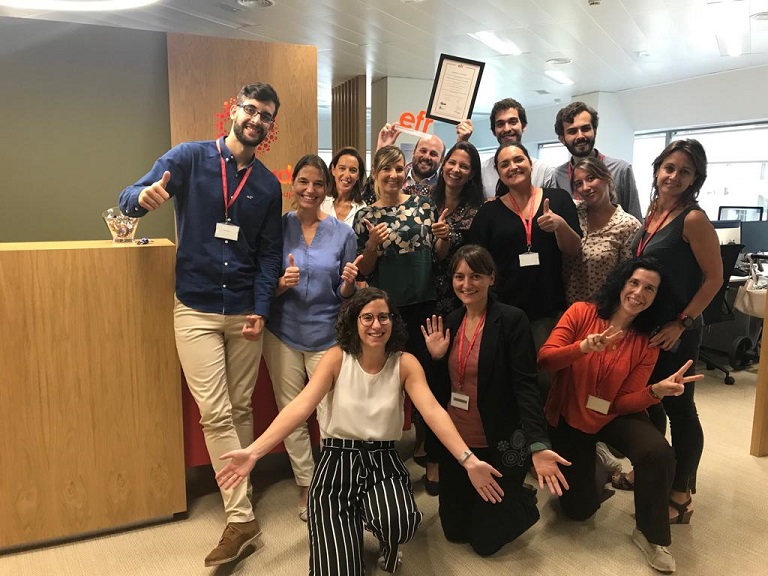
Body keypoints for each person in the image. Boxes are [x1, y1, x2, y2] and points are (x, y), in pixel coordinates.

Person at [215, 287, 505, 576]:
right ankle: (349, 527)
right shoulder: (336, 358)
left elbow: (433, 411)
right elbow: (300, 407)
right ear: (354, 321)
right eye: (367, 317)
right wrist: (254, 452)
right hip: (336, 460)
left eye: (383, 317)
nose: (376, 325)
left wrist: (468, 460)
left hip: (383, 460)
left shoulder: (404, 363)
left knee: (399, 521)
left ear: (393, 321)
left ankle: (384, 537)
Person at [118, 83, 283, 567]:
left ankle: (241, 499)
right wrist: (142, 198)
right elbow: (127, 197)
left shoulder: (268, 185)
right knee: (214, 412)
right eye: (250, 110)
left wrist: (262, 308)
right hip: (196, 308)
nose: (256, 120)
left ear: (270, 126)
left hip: (246, 311)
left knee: (240, 406)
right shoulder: (189, 158)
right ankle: (241, 517)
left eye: (265, 115)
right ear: (233, 110)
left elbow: (269, 254)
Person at [538, 257, 703, 573]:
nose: (639, 293)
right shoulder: (581, 313)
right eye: (634, 283)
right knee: (578, 510)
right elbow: (545, 360)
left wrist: (655, 391)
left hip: (612, 412)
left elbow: (625, 402)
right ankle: (600, 463)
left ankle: (651, 535)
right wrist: (582, 348)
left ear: (657, 298)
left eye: (649, 289)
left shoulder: (646, 341)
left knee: (657, 452)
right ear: (621, 284)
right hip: (571, 414)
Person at [422, 244, 570, 557]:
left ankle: (523, 500)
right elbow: (439, 391)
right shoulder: (451, 321)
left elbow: (526, 386)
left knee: (484, 543)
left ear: (491, 278)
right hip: (458, 445)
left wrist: (538, 444)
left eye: (475, 276)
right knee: (454, 532)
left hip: (497, 441)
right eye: (459, 277)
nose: (466, 284)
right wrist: (435, 359)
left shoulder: (512, 320)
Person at [262, 154, 359, 523]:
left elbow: (345, 293)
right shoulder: (276, 227)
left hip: (326, 334)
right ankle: (306, 483)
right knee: (292, 413)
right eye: (304, 181)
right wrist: (280, 285)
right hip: (283, 333)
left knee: (330, 413)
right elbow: (262, 285)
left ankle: (332, 483)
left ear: (326, 189)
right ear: (293, 184)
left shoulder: (343, 233)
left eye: (318, 183)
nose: (310, 189)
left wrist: (348, 285)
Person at [630, 139, 722, 523]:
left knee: (680, 409)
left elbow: (714, 279)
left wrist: (681, 322)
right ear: (657, 170)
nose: (674, 176)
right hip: (646, 328)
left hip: (677, 330)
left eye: (685, 171)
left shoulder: (693, 219)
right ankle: (654, 471)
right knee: (650, 402)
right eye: (669, 168)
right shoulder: (653, 212)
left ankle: (681, 492)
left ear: (695, 178)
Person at [353, 145, 444, 494]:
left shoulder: (424, 205)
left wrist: (443, 239)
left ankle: (433, 460)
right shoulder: (365, 216)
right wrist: (372, 245)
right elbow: (364, 270)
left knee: (429, 384)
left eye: (398, 169)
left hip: (424, 307)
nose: (393, 175)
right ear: (376, 173)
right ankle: (381, 462)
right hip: (386, 313)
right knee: (384, 386)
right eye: (386, 169)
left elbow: (438, 257)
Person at [469, 142, 581, 353]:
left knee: (545, 369)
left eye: (518, 159)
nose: (513, 167)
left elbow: (573, 250)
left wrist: (560, 225)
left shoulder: (558, 199)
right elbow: (476, 263)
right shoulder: (488, 212)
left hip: (548, 308)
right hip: (502, 310)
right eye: (504, 164)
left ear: (530, 163)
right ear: (499, 173)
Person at [565, 155, 641, 305]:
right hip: (566, 309)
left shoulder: (628, 225)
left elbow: (628, 278)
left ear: (607, 178)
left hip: (602, 310)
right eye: (579, 184)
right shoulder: (572, 212)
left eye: (591, 178)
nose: (585, 187)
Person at [552, 102, 643, 220]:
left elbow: (636, 220)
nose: (580, 136)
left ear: (594, 131)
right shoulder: (558, 176)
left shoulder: (621, 170)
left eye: (585, 129)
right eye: (572, 131)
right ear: (562, 139)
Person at [455, 97, 556, 197]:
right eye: (500, 124)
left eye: (513, 122)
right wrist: (462, 142)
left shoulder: (544, 172)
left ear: (523, 126)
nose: (507, 129)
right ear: (494, 131)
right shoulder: (481, 172)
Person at [362, 123, 446, 203]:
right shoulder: (394, 176)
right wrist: (381, 153)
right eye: (423, 151)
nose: (427, 157)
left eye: (433, 154)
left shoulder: (444, 189)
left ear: (442, 160)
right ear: (414, 152)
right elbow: (368, 199)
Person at [320, 147, 367, 226]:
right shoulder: (321, 202)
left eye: (352, 170)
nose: (347, 175)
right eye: (342, 168)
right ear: (333, 170)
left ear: (358, 176)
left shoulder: (362, 208)